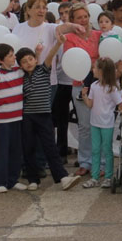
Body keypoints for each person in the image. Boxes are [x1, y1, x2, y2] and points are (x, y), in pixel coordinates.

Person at [12, 0, 82, 162]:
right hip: (23, 81)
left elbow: (64, 27)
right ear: (28, 10)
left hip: (46, 84)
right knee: (26, 122)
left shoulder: (50, 28)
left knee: (42, 122)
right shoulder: (18, 28)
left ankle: (41, 160)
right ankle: (27, 160)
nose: (41, 10)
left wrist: (75, 26)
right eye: (37, 7)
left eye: (44, 7)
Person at [17, 47, 81, 191]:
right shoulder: (20, 77)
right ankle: (33, 179)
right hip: (27, 116)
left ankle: (62, 177)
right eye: (24, 61)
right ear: (20, 65)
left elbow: (50, 55)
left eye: (30, 59)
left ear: (35, 59)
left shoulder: (43, 70)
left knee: (50, 146)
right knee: (28, 147)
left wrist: (58, 43)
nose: (28, 63)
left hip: (44, 115)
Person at [63, 3, 102, 178]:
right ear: (72, 20)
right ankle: (85, 161)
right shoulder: (70, 37)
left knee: (100, 125)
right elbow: (71, 60)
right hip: (79, 85)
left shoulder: (98, 35)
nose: (83, 20)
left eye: (85, 16)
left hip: (99, 85)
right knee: (85, 126)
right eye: (79, 17)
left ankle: (100, 162)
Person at [81, 58, 122, 189]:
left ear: (101, 71)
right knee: (95, 150)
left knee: (107, 150)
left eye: (95, 68)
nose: (93, 70)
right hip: (94, 123)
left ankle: (108, 177)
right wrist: (84, 96)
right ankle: (95, 177)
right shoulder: (94, 86)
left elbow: (120, 104)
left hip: (107, 124)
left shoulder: (112, 89)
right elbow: (90, 105)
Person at [0, 43, 27, 193]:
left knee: (16, 150)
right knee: (2, 151)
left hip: (18, 118)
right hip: (3, 120)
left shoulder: (19, 71)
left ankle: (13, 180)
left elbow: (31, 65)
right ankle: (0, 182)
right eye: (10, 55)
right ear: (1, 60)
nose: (14, 57)